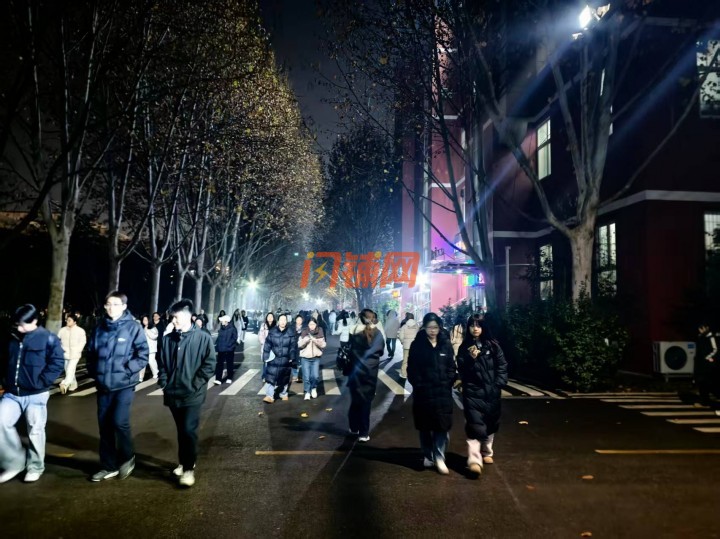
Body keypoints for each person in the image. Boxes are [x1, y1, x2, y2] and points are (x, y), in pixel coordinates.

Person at [86, 291, 149, 482]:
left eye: (115, 304)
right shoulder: (99, 328)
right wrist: (94, 372)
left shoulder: (133, 327)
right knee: (104, 426)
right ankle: (108, 466)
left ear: (124, 306)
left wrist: (128, 370)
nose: (111, 308)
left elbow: (143, 354)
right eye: (108, 304)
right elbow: (90, 353)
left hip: (124, 385)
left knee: (119, 421)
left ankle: (128, 457)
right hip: (103, 386)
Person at [0, 305, 64, 483]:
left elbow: (57, 362)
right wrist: (5, 380)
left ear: (34, 321)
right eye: (18, 324)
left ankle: (35, 467)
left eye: (23, 324)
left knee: (35, 430)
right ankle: (14, 463)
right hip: (12, 393)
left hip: (36, 394)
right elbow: (5, 360)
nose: (19, 328)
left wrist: (42, 382)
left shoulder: (48, 338)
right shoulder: (12, 336)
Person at [157, 299, 216, 487]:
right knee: (181, 430)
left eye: (176, 317)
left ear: (189, 316)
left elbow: (210, 364)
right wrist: (164, 383)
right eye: (172, 318)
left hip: (193, 394)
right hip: (173, 393)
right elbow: (162, 364)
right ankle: (184, 462)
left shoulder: (203, 337)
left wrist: (195, 384)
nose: (173, 321)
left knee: (189, 430)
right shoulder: (167, 339)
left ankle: (189, 469)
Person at [457, 314, 508, 475]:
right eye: (472, 325)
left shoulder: (493, 346)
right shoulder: (465, 347)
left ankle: (487, 452)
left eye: (478, 325)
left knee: (490, 423)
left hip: (491, 392)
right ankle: (474, 460)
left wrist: (499, 383)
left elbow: (502, 365)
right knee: (474, 425)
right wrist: (470, 359)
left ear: (484, 327)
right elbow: (461, 368)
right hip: (472, 392)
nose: (475, 328)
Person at [407, 313, 457, 475]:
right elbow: (411, 368)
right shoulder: (417, 345)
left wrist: (448, 381)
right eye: (429, 327)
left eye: (435, 327)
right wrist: (419, 384)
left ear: (440, 327)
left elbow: (451, 366)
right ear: (424, 327)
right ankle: (428, 455)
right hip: (424, 393)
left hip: (442, 392)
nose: (433, 330)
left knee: (441, 426)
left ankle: (440, 457)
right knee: (425, 427)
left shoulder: (445, 344)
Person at [346, 309, 385, 442]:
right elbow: (380, 351)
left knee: (355, 399)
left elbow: (349, 349)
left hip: (355, 371)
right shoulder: (377, 333)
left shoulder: (353, 331)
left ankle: (353, 427)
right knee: (366, 402)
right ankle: (363, 433)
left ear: (361, 318)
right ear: (372, 318)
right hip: (370, 372)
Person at [261, 314, 298, 403]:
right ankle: (269, 396)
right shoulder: (272, 332)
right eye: (281, 320)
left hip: (286, 359)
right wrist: (266, 357)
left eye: (284, 320)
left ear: (286, 321)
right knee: (270, 378)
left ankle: (283, 393)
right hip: (274, 359)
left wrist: (292, 357)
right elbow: (267, 345)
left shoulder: (291, 332)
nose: (283, 322)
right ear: (278, 321)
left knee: (284, 378)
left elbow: (293, 347)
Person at [58, 313, 87, 394]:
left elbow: (83, 342)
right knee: (68, 370)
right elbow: (57, 340)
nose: (67, 321)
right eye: (67, 320)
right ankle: (73, 385)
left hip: (75, 354)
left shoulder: (80, 331)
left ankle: (64, 384)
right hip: (65, 354)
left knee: (70, 369)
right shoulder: (62, 330)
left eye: (69, 320)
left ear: (74, 322)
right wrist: (61, 349)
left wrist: (78, 350)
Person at [298, 318, 326, 400]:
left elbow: (323, 345)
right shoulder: (304, 332)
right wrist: (306, 340)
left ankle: (313, 388)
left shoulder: (320, 331)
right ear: (308, 325)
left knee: (315, 376)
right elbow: (299, 345)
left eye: (313, 324)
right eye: (310, 324)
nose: (312, 326)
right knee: (306, 377)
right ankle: (307, 392)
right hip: (305, 358)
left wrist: (315, 340)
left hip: (315, 358)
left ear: (316, 325)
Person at [695, 323, 719, 406]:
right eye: (699, 329)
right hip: (701, 365)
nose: (700, 330)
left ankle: (710, 399)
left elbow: (715, 350)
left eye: (702, 328)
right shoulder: (701, 337)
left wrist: (707, 357)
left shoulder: (711, 337)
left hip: (708, 365)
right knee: (701, 383)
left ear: (707, 328)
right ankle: (705, 400)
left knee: (710, 383)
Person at [214, 315, 238, 385]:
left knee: (229, 364)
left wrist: (229, 346)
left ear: (226, 321)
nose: (221, 322)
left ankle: (229, 378)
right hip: (221, 349)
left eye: (222, 320)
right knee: (219, 364)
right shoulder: (221, 328)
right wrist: (217, 345)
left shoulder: (233, 329)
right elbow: (219, 338)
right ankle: (218, 379)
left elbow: (234, 338)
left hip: (229, 350)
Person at [398, 313, 420, 379]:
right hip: (415, 346)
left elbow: (401, 336)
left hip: (406, 346)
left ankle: (404, 374)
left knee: (405, 360)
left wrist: (403, 342)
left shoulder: (404, 326)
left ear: (407, 318)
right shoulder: (417, 326)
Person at [138, 315, 159, 382]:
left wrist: (147, 330)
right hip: (143, 348)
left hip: (151, 349)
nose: (144, 321)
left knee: (151, 361)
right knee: (142, 362)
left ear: (149, 320)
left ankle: (156, 374)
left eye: (146, 320)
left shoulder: (153, 328)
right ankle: (140, 377)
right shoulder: (142, 328)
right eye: (143, 320)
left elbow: (154, 336)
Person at [258, 312, 276, 381]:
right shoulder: (263, 326)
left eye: (271, 316)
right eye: (269, 316)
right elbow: (260, 336)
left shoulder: (276, 326)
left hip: (274, 348)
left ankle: (271, 376)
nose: (270, 318)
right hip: (266, 347)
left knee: (273, 363)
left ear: (273, 318)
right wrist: (265, 343)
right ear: (266, 318)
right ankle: (264, 376)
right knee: (265, 362)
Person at [292, 314, 305, 383]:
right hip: (293, 347)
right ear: (295, 320)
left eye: (300, 320)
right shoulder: (292, 327)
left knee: (301, 362)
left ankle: (300, 376)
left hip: (301, 347)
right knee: (293, 361)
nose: (299, 321)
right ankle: (295, 375)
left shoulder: (305, 328)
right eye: (298, 320)